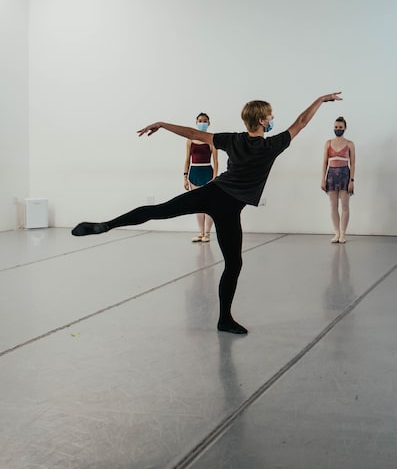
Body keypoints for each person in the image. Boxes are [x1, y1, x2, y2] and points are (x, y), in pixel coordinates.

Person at [71, 92, 342, 335]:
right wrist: (319, 100)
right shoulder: (273, 145)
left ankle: (107, 225)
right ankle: (224, 319)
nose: (273, 119)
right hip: (228, 208)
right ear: (261, 121)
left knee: (159, 210)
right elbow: (302, 122)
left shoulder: (232, 139)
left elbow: (194, 134)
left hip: (211, 193)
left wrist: (164, 124)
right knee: (233, 265)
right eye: (270, 115)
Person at [185, 112, 219, 243]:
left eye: (205, 121)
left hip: (207, 172)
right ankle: (200, 232)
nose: (202, 123)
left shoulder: (211, 140)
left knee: (209, 204)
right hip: (194, 172)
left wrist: (215, 177)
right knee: (198, 204)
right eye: (200, 120)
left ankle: (207, 233)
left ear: (209, 123)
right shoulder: (189, 141)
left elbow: (216, 161)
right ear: (196, 122)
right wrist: (185, 177)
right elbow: (187, 159)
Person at [321, 116, 355, 244]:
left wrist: (352, 180)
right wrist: (322, 179)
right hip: (331, 175)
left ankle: (343, 233)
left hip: (344, 174)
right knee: (333, 205)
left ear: (345, 128)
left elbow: (353, 163)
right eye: (336, 127)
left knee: (345, 205)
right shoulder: (328, 143)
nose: (338, 129)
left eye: (340, 127)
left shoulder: (349, 144)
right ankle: (337, 232)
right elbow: (324, 162)